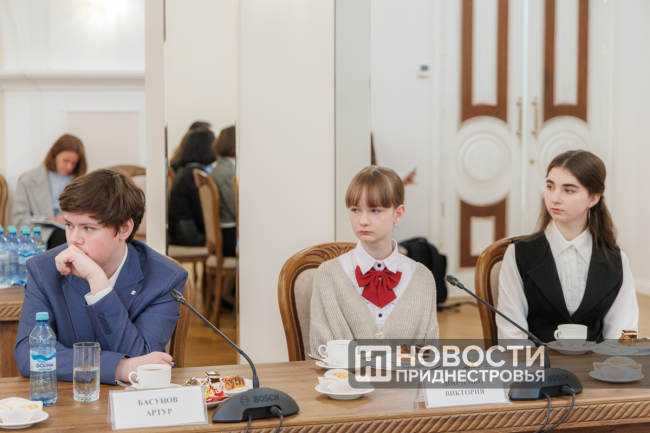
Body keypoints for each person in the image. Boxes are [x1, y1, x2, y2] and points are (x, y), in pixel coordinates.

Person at [14, 169, 188, 385]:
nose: (74, 240)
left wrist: (98, 282)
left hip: (134, 400)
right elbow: (29, 355)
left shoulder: (165, 278)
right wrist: (119, 367)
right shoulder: (44, 269)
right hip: (68, 398)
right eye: (69, 225)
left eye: (88, 228)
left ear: (124, 229)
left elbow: (142, 359)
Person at [497, 150, 639, 343]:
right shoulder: (519, 254)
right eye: (550, 186)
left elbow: (624, 334)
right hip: (535, 362)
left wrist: (613, 362)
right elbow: (512, 336)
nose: (555, 198)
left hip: (598, 362)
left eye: (568, 190)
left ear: (593, 198)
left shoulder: (616, 260)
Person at [310, 166, 439, 355]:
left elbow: (429, 353)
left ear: (398, 214)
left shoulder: (422, 278)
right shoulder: (328, 275)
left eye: (375, 210)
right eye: (355, 210)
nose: (363, 221)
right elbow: (320, 351)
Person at [13, 134, 87, 250]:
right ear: (55, 154)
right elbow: (19, 219)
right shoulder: (29, 180)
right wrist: (48, 220)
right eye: (66, 161)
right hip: (40, 234)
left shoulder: (81, 181)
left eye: (74, 163)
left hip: (71, 230)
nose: (69, 167)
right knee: (63, 241)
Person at [168, 129, 217, 246]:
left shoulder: (186, 171)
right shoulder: (195, 175)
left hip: (180, 232)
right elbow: (202, 214)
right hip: (190, 234)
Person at [210, 125, 237, 257]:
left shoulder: (220, 168)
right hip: (229, 237)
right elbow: (236, 210)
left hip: (226, 234)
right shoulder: (227, 173)